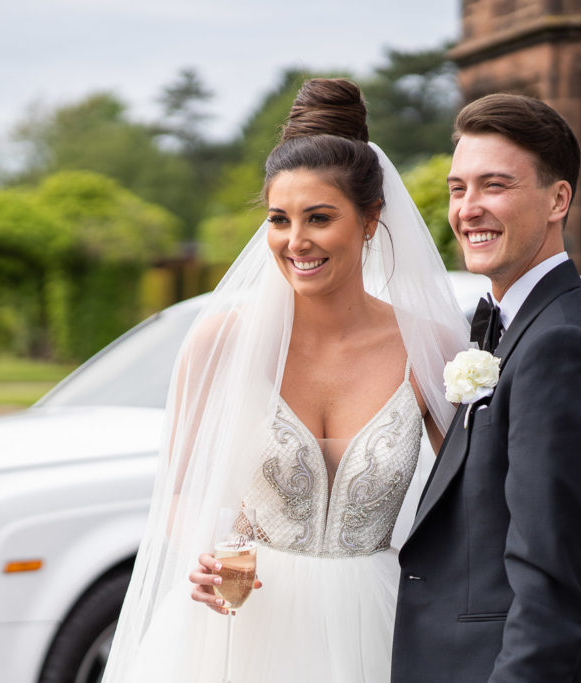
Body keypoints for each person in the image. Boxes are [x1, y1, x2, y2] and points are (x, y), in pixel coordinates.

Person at [100, 78, 468, 683]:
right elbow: (176, 493)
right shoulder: (221, 341)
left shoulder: (432, 349)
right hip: (237, 627)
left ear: (371, 219)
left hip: (375, 625)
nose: (296, 242)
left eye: (319, 218)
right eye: (279, 219)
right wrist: (203, 557)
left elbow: (469, 506)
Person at [391, 94, 581, 682]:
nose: (469, 208)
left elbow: (551, 585)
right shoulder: (511, 330)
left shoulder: (563, 347)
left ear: (559, 199)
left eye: (495, 185)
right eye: (458, 189)